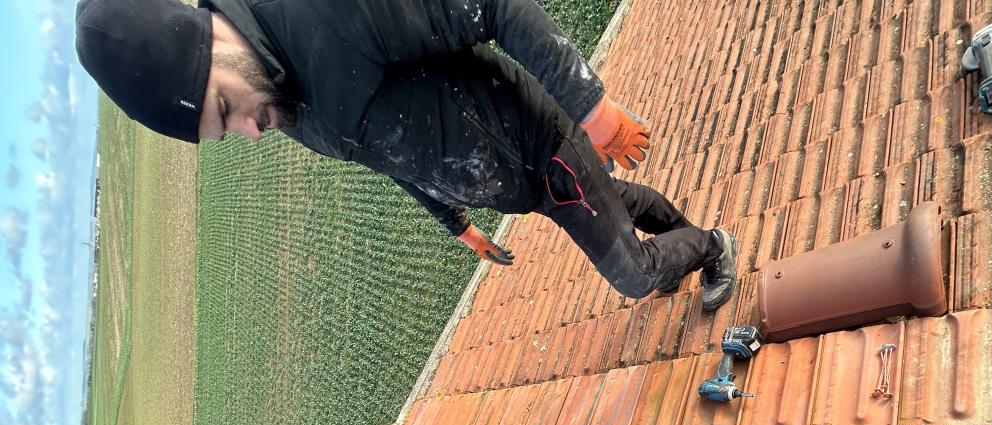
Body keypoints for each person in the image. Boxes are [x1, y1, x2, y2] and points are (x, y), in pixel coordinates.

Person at [75, 0, 739, 310]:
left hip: (542, 144)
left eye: (226, 109)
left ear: (211, 40)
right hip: (517, 181)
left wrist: (592, 109)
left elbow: (495, 7)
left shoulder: (319, 17)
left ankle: (712, 247)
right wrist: (456, 223)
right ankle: (680, 241)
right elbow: (391, 155)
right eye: (226, 134)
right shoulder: (286, 107)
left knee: (630, 275)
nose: (248, 131)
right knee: (617, 204)